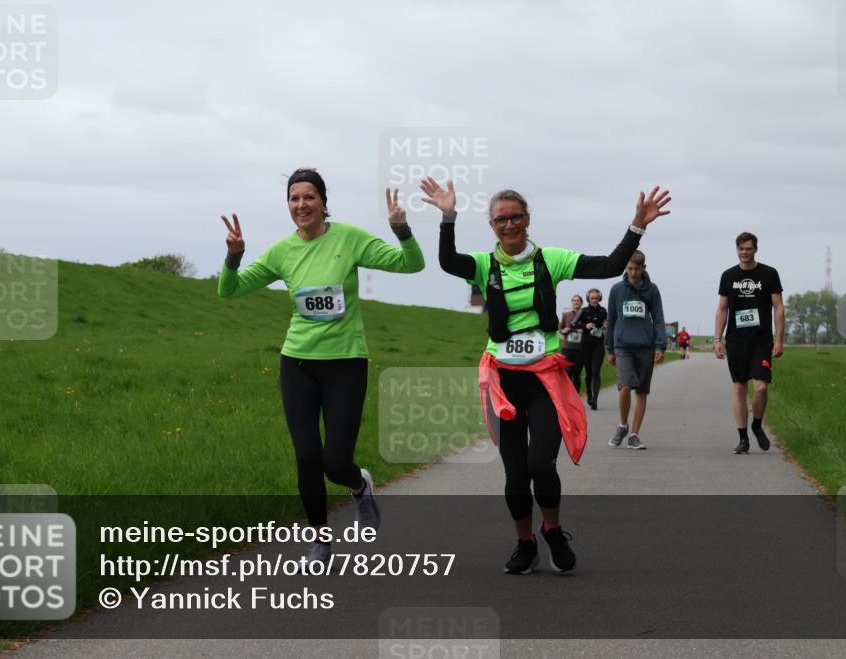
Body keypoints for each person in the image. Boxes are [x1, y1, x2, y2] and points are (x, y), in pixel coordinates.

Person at [426, 176, 670, 574]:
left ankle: (553, 529)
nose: (509, 225)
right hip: (502, 383)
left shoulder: (550, 260)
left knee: (541, 466)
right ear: (491, 226)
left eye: (516, 217)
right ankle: (526, 543)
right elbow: (448, 262)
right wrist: (448, 217)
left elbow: (608, 265)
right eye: (501, 219)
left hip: (544, 382)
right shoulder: (484, 265)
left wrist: (637, 227)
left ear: (527, 220)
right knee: (515, 474)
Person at [217, 168, 425, 564]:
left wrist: (402, 230)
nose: (301, 205)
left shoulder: (349, 239)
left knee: (335, 463)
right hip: (297, 363)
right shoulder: (282, 251)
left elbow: (411, 265)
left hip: (345, 362)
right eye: (294, 199)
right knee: (307, 456)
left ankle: (359, 485)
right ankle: (320, 540)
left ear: (324, 202)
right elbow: (229, 290)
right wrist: (234, 256)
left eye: (309, 197)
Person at [714, 232, 784, 454]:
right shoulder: (728, 276)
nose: (744, 252)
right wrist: (717, 339)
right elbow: (722, 308)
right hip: (736, 341)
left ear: (756, 249)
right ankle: (743, 438)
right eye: (741, 248)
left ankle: (757, 424)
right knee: (739, 388)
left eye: (748, 248)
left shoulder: (769, 274)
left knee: (761, 388)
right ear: (736, 249)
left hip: (761, 340)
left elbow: (779, 308)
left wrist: (779, 339)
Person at [605, 251, 666, 451]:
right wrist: (610, 348)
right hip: (622, 346)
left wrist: (660, 345)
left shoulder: (652, 290)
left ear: (643, 268)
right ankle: (623, 425)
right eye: (630, 268)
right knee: (624, 386)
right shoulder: (616, 290)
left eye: (636, 269)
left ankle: (634, 435)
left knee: (641, 391)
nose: (632, 272)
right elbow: (611, 320)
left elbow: (658, 318)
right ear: (625, 267)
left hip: (645, 347)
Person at [573, 288, 607, 410]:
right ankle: (589, 393)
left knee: (596, 371)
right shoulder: (583, 311)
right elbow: (573, 324)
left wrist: (605, 324)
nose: (594, 300)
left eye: (596, 298)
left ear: (599, 298)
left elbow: (606, 321)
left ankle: (595, 399)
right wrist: (585, 325)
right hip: (586, 345)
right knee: (589, 373)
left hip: (598, 345)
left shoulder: (603, 311)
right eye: (592, 298)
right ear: (588, 299)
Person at [558, 295, 584, 392]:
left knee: (577, 374)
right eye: (574, 300)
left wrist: (583, 330)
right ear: (572, 303)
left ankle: (576, 396)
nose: (576, 302)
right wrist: (564, 330)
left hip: (580, 349)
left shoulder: (585, 315)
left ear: (581, 303)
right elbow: (560, 329)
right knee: (567, 372)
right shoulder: (566, 315)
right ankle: (568, 395)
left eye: (578, 301)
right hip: (567, 348)